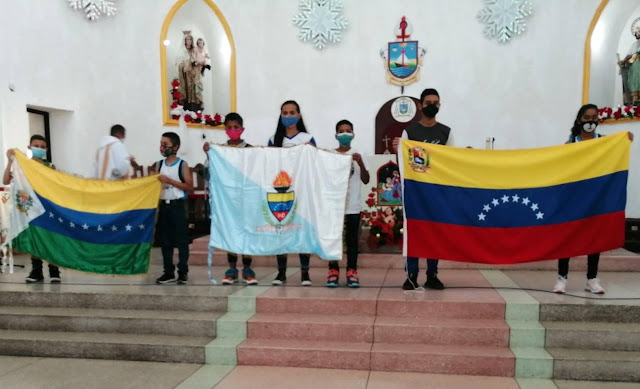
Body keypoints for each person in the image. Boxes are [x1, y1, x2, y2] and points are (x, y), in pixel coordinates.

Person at [553, 104, 634, 294]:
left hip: (596, 198)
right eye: (586, 117)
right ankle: (561, 278)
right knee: (568, 238)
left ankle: (592, 279)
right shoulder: (571, 144)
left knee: (594, 237)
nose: (590, 121)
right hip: (574, 199)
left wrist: (625, 139)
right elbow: (560, 167)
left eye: (594, 117)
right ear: (579, 120)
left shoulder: (604, 142)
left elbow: (616, 152)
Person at [392, 88, 452, 291]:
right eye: (428, 102)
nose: (432, 105)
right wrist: (397, 151)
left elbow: (451, 162)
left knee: (434, 233)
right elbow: (402, 163)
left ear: (440, 105)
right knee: (414, 232)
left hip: (437, 191)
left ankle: (432, 274)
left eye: (436, 102)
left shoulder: (446, 132)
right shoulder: (410, 132)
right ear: (420, 105)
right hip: (415, 191)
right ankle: (411, 274)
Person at [203, 113, 258, 285]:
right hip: (227, 200)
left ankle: (247, 269)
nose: (233, 130)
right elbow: (209, 170)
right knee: (230, 232)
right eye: (229, 127)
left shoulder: (250, 149)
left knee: (247, 232)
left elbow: (256, 171)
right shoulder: (220, 149)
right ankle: (232, 268)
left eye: (236, 127)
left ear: (242, 129)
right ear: (225, 129)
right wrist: (208, 154)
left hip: (246, 198)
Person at [268, 100, 316, 286]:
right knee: (282, 230)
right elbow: (268, 164)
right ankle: (281, 273)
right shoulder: (274, 139)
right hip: (281, 191)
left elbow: (314, 163)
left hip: (302, 190)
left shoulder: (307, 138)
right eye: (285, 113)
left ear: (299, 115)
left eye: (292, 112)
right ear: (281, 115)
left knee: (302, 230)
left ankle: (305, 273)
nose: (288, 116)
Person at [3, 135, 61, 283]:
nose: (40, 149)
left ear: (46, 149)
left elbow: (58, 187)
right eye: (37, 146)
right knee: (35, 239)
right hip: (30, 209)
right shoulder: (23, 165)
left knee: (50, 239)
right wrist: (11, 160)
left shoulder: (50, 167)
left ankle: (54, 271)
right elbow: (6, 181)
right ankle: (37, 271)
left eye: (42, 147)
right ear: (30, 147)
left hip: (47, 208)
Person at [326, 120, 370, 288]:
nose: (345, 134)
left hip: (353, 205)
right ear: (336, 135)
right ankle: (333, 270)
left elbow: (366, 180)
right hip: (335, 205)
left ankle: (352, 270)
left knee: (352, 240)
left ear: (353, 135)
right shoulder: (330, 154)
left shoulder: (360, 153)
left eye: (348, 131)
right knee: (333, 239)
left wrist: (359, 163)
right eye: (341, 131)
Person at [155, 132, 194, 285]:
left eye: (165, 144)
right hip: (164, 206)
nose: (162, 147)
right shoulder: (159, 165)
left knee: (182, 241)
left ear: (175, 147)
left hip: (177, 206)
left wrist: (170, 180)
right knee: (165, 241)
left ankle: (183, 271)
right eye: (161, 144)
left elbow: (189, 186)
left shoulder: (182, 165)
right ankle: (168, 272)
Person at [177, 33, 203, 111]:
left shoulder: (195, 50)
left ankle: (195, 106)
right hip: (185, 76)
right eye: (187, 39)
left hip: (194, 75)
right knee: (186, 91)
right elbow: (178, 64)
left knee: (195, 92)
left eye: (190, 39)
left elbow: (199, 61)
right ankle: (187, 106)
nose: (189, 41)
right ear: (184, 41)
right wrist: (184, 65)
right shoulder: (182, 51)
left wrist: (195, 65)